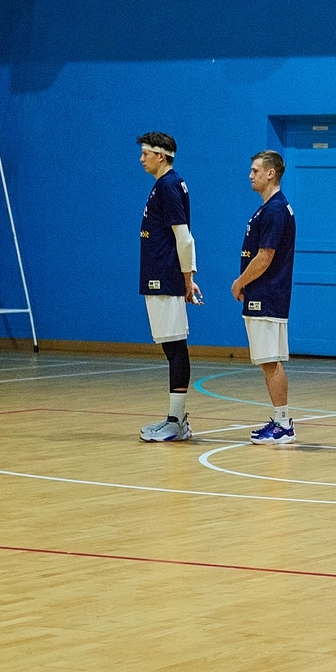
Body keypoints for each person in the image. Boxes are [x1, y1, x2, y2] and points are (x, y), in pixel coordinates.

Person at [137, 132, 203, 443]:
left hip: (165, 276)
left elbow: (184, 238)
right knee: (170, 347)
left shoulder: (168, 185)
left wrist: (187, 278)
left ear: (161, 156)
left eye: (146, 153)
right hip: (161, 275)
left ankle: (177, 422)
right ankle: (175, 419)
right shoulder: (165, 185)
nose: (141, 159)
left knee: (176, 347)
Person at [232, 150, 297, 446]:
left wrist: (240, 282)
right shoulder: (269, 208)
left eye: (255, 170)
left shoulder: (275, 210)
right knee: (268, 361)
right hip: (264, 294)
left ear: (271, 173)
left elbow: (265, 256)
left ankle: (284, 424)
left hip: (268, 295)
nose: (250, 175)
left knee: (270, 361)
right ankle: (280, 420)